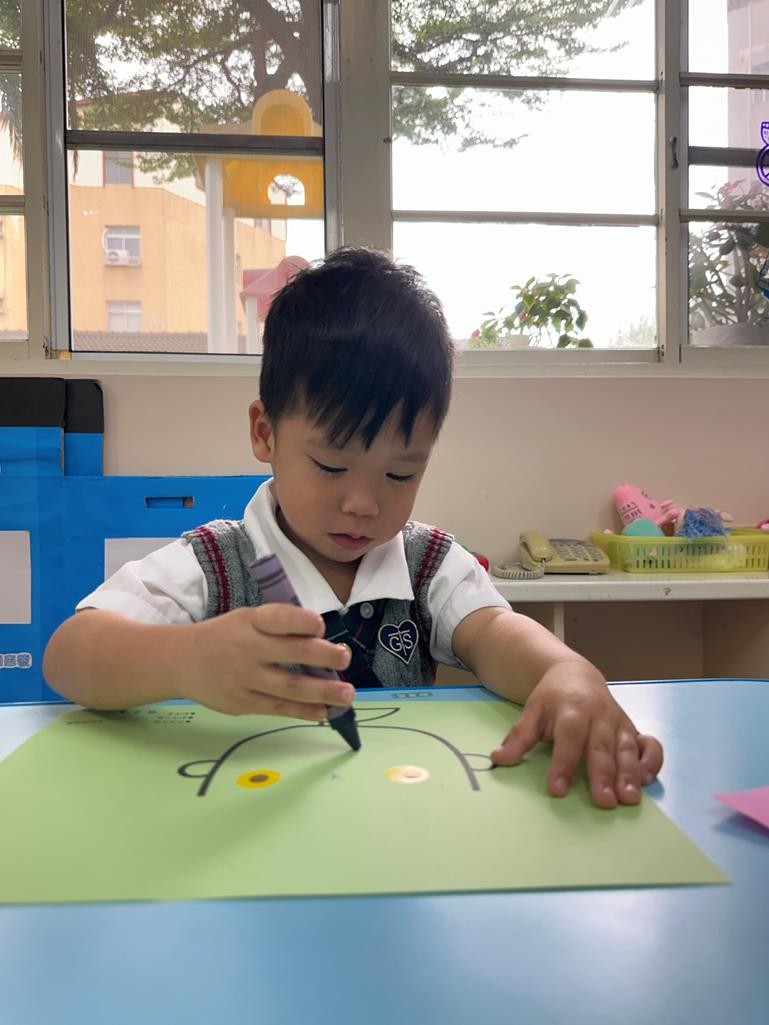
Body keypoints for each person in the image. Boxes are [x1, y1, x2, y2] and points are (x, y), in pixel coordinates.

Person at [44, 247, 663, 809]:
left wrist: (566, 673)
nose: (363, 504)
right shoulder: (215, 565)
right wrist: (186, 659)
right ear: (265, 433)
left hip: (393, 825)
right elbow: (69, 655)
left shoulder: (427, 565)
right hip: (249, 830)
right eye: (331, 466)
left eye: (400, 474)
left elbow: (497, 633)